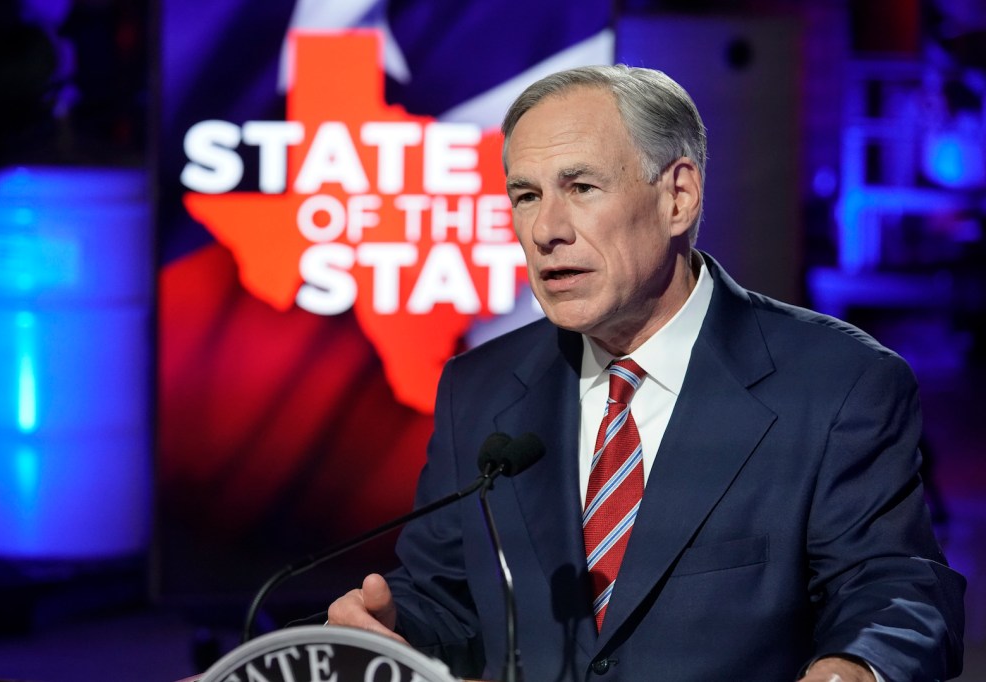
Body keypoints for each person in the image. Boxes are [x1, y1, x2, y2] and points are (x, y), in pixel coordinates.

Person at [328, 65, 965, 681]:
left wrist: (856, 667)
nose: (546, 229)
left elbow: (895, 590)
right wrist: (394, 631)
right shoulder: (479, 390)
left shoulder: (837, 383)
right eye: (526, 195)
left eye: (581, 188)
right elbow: (449, 601)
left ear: (678, 197)